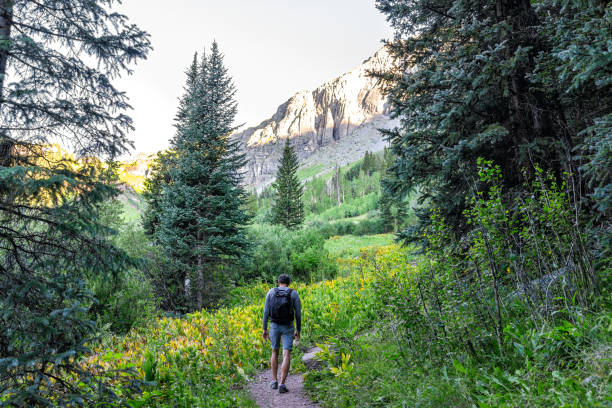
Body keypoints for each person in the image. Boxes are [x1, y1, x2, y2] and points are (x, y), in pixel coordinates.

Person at [262, 273, 301, 394]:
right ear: (289, 283)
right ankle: (282, 384)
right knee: (286, 354)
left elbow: (265, 312)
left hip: (274, 325)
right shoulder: (293, 293)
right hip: (288, 326)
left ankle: (274, 381)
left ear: (278, 282)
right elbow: (298, 314)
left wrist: (264, 329)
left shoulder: (271, 292)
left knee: (274, 351)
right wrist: (298, 330)